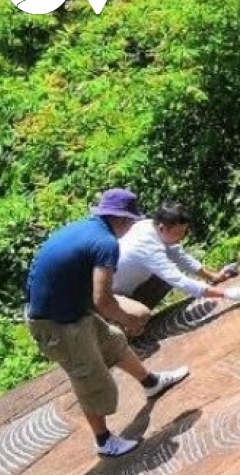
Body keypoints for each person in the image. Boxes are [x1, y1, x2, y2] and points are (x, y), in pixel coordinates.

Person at [25, 189, 191, 457]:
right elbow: (102, 298)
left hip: (71, 310)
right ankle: (103, 441)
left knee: (112, 342)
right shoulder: (105, 243)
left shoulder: (85, 228)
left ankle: (151, 382)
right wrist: (130, 320)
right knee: (90, 378)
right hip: (57, 324)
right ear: (124, 220)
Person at [111, 202, 240, 336]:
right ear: (162, 228)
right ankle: (122, 329)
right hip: (109, 297)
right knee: (141, 315)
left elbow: (180, 256)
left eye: (183, 232)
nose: (181, 238)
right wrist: (226, 294)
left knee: (163, 280)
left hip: (126, 290)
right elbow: (179, 280)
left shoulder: (148, 225)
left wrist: (214, 277)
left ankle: (130, 320)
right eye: (178, 233)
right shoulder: (147, 247)